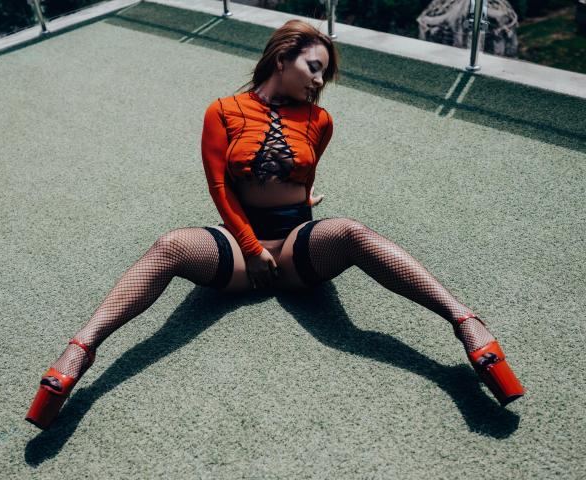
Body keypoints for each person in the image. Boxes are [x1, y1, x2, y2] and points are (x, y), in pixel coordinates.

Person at [26, 19, 525, 430]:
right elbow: (220, 188)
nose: (319, 82)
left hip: (295, 247)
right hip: (238, 250)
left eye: (324, 75)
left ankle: (466, 323)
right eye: (314, 68)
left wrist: (304, 199)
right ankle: (79, 352)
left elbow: (306, 172)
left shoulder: (320, 120)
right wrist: (249, 245)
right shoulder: (222, 111)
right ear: (283, 58)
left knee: (352, 232)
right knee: (170, 245)